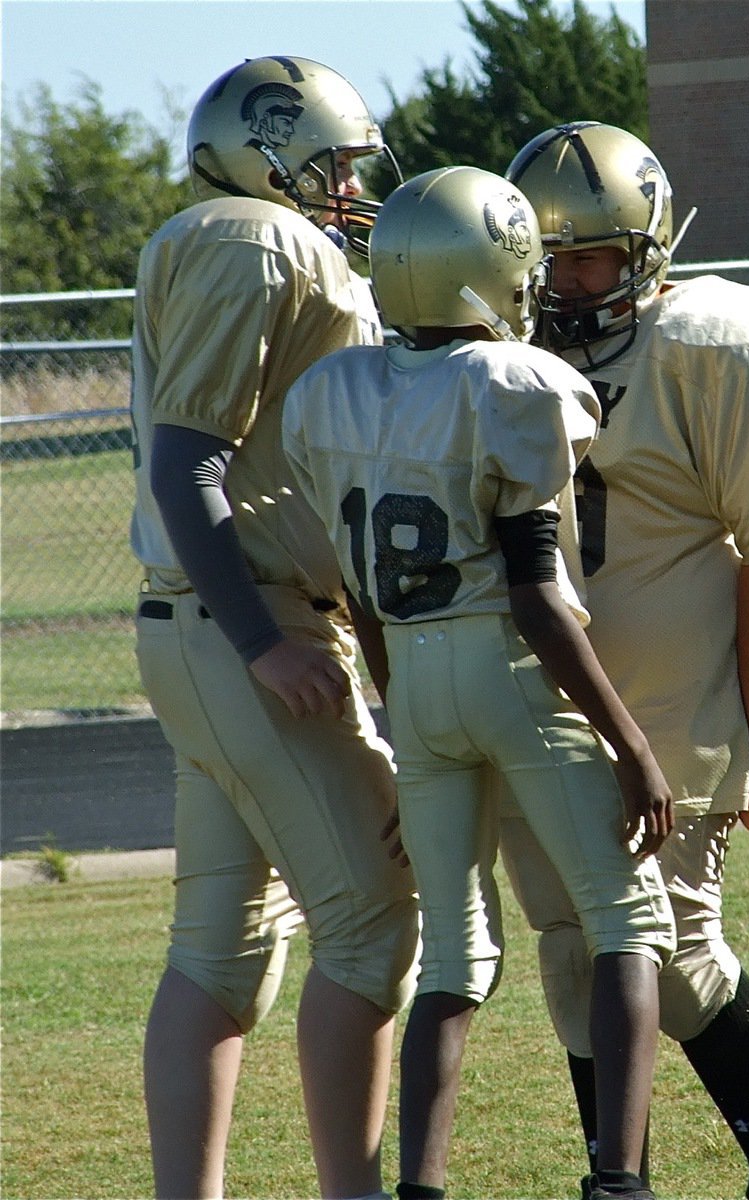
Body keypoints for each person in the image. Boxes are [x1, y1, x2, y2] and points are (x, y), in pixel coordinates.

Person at [282, 164, 678, 1200]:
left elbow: (363, 599)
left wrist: (409, 724)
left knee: (456, 961)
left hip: (412, 675)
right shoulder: (517, 385)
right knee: (629, 923)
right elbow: (540, 598)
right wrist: (631, 745)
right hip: (508, 666)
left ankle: (420, 1188)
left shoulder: (336, 390)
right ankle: (621, 1181)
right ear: (492, 271)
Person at [500, 121, 749, 1200]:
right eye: (543, 257)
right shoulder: (495, 354)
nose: (562, 283)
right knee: (573, 948)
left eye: (588, 255)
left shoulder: (716, 343)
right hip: (542, 703)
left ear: (647, 248)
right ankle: (627, 1180)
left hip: (674, 709)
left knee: (674, 950)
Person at [129, 55, 419, 1200]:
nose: (348, 190)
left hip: (209, 625)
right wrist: (263, 640)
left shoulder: (229, 236)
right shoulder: (255, 238)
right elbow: (186, 457)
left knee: (222, 952)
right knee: (374, 930)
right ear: (274, 151)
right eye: (335, 166)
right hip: (244, 625)